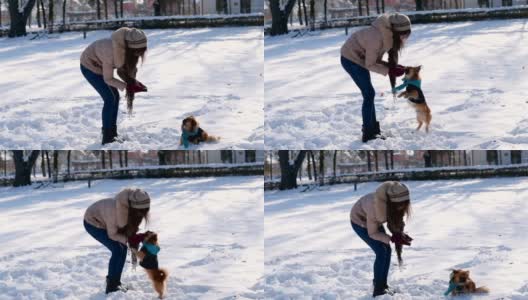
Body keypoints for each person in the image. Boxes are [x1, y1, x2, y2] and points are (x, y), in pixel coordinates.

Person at [341, 13, 412, 143]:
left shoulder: (386, 35)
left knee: (369, 94)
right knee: (369, 94)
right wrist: (390, 70)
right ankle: (368, 133)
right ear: (396, 32)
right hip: (350, 59)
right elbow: (370, 64)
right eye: (404, 35)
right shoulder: (377, 37)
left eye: (407, 34)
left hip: (360, 58)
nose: (405, 38)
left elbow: (375, 59)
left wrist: (393, 67)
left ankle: (373, 129)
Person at [80, 27, 148, 145]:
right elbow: (108, 79)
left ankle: (112, 133)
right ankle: (107, 137)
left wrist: (134, 83)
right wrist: (127, 87)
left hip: (103, 67)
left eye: (142, 50)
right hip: (90, 67)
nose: (139, 54)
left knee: (115, 97)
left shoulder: (126, 50)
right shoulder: (111, 51)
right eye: (138, 51)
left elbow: (122, 70)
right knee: (110, 98)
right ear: (130, 47)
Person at [350, 181, 413, 297]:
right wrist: (392, 238)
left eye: (405, 203)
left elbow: (395, 220)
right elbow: (373, 233)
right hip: (360, 222)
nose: (403, 207)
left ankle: (383, 284)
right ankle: (378, 289)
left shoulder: (393, 204)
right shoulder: (376, 209)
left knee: (387, 250)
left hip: (373, 221)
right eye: (401, 204)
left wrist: (399, 234)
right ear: (392, 202)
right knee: (381, 251)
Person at [83, 188, 151, 294]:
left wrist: (135, 239)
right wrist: (128, 240)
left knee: (121, 248)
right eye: (140, 211)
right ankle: (112, 286)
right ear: (134, 208)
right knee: (118, 249)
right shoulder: (115, 212)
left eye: (145, 211)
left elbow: (128, 230)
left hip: (106, 222)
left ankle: (115, 282)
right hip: (93, 223)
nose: (142, 214)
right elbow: (112, 234)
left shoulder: (134, 210)